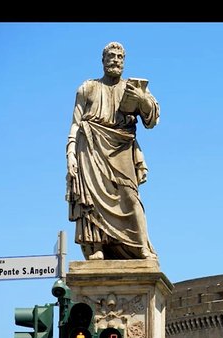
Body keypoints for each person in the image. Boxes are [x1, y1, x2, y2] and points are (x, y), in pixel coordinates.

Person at [66, 42, 160, 260]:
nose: (115, 60)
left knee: (130, 197)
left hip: (122, 149)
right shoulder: (87, 88)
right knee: (92, 198)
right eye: (111, 55)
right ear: (103, 60)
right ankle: (96, 245)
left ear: (124, 62)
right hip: (90, 147)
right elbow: (75, 123)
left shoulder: (133, 88)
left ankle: (141, 246)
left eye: (119, 56)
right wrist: (70, 153)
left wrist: (142, 99)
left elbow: (152, 119)